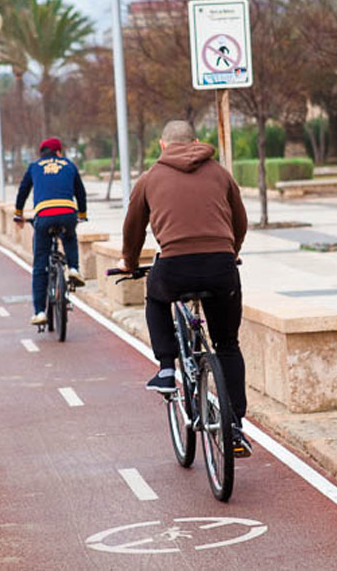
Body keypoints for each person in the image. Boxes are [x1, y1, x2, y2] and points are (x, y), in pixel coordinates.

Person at [117, 120, 252, 456]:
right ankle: (234, 427)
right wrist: (230, 252)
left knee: (156, 297)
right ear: (195, 141)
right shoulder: (220, 173)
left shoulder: (149, 178)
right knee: (227, 344)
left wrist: (129, 263)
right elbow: (240, 221)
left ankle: (166, 367)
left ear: (162, 146)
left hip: (174, 268)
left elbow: (134, 228)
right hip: (221, 267)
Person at [13, 137, 87, 326]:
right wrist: (81, 214)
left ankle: (39, 312)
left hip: (44, 216)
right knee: (69, 236)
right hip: (67, 212)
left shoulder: (35, 166)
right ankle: (73, 268)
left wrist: (18, 214)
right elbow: (81, 192)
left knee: (40, 265)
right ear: (59, 152)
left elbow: (23, 191)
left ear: (41, 153)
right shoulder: (69, 165)